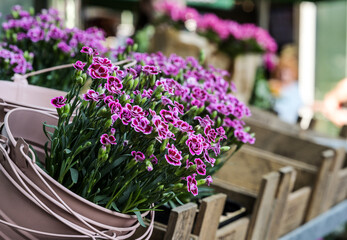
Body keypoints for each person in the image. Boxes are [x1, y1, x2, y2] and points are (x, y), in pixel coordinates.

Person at [269, 45, 303, 124]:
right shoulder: (273, 85)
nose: (283, 74)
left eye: (287, 71)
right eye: (282, 70)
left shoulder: (295, 89)